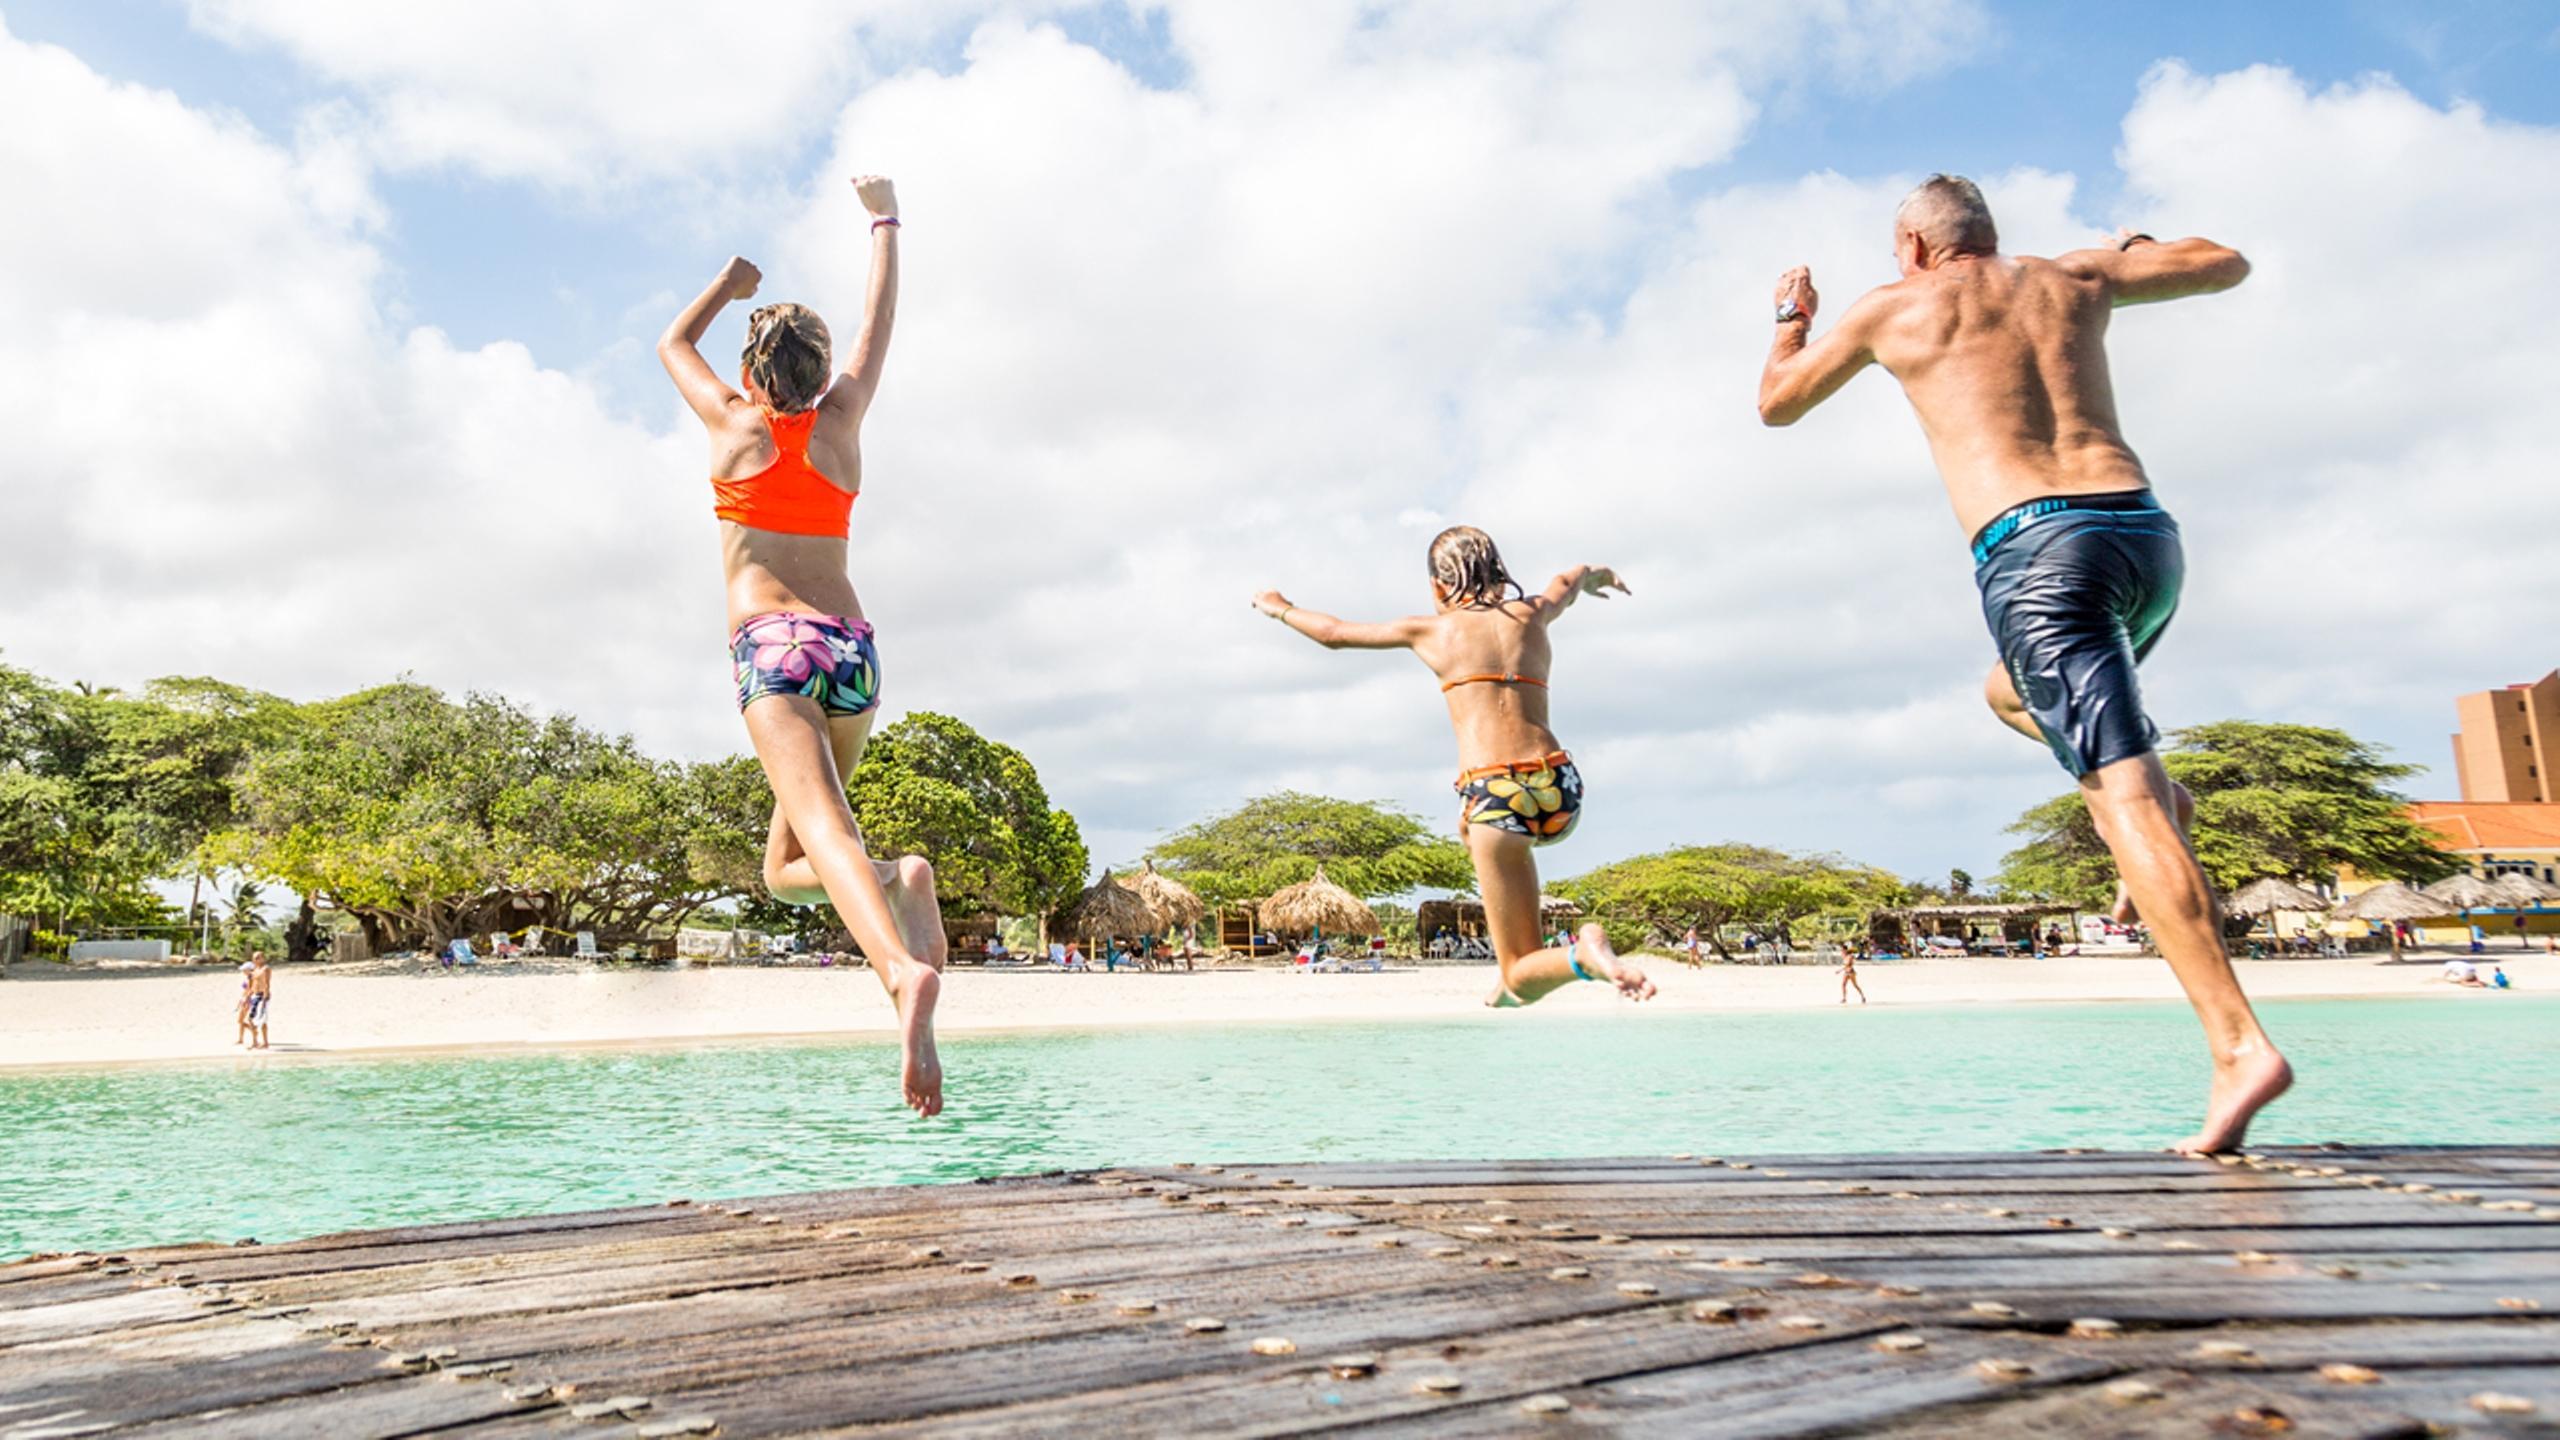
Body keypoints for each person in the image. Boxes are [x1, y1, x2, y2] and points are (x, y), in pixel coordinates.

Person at [1756, 174, 2286, 1154]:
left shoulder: (1894, 306)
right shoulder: (2074, 274)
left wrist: (1791, 317)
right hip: (2144, 541)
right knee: (2008, 691)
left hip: (2038, 555)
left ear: (1911, 248)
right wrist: (2133, 250)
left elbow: (1775, 404)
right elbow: (2227, 262)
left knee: (2114, 798)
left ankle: (2236, 1047)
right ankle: (2163, 806)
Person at [658, 174, 947, 1116]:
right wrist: (884, 218)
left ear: (753, 377)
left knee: (824, 836)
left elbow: (670, 343)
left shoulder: (734, 424)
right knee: (788, 874)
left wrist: (726, 283)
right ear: (823, 375)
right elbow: (878, 319)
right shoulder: (843, 420)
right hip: (852, 651)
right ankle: (901, 886)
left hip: (773, 650)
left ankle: (900, 976)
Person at [1254, 527, 1654, 1008]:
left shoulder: (1432, 630)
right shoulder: (1532, 613)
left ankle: (1581, 956)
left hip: (1494, 790)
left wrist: (1279, 607)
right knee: (1470, 832)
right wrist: (1598, 575)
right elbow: (1568, 580)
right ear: (1499, 575)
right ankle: (1507, 981)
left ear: (1439, 586)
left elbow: (1334, 634)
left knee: (1522, 975)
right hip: (1560, 783)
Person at [243, 950, 272, 1050]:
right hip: (254, 995)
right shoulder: (254, 970)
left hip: (262, 996)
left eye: (258, 957)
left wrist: (265, 996)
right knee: (250, 1018)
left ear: (262, 958)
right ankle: (256, 1041)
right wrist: (247, 997)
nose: (255, 960)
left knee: (262, 1019)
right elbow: (252, 985)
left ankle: (264, 1042)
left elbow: (267, 983)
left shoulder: (265, 969)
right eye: (254, 958)